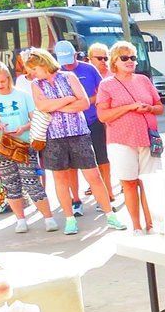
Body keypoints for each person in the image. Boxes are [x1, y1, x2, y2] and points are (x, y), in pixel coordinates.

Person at [25, 48, 125, 234]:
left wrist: (56, 105)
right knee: (60, 178)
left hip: (78, 133)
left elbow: (84, 103)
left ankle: (110, 215)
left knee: (93, 176)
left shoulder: (69, 77)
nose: (32, 74)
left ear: (43, 64)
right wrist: (68, 100)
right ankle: (70, 219)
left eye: (34, 69)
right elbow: (42, 106)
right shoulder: (36, 85)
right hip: (54, 137)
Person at [0, 61, 58, 233]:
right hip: (1, 146)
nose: (0, 85)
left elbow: (36, 117)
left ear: (8, 79)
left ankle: (48, 218)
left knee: (32, 182)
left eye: (3, 81)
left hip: (23, 145)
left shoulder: (22, 95)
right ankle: (20, 220)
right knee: (11, 184)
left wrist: (24, 128)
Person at [96, 41, 162, 234]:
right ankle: (136, 226)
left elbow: (160, 107)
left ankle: (152, 225)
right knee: (129, 182)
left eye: (132, 57)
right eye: (124, 57)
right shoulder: (107, 84)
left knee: (149, 183)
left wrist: (149, 108)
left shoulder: (143, 80)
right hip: (121, 140)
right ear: (114, 61)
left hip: (148, 138)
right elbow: (103, 116)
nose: (130, 61)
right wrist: (129, 107)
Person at [55, 41, 112, 215]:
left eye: (70, 58)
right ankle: (76, 200)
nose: (68, 64)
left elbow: (102, 93)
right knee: (71, 165)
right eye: (63, 60)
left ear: (76, 54)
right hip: (70, 127)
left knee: (102, 160)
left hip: (93, 120)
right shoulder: (57, 74)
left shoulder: (88, 69)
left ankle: (107, 195)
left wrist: (84, 102)